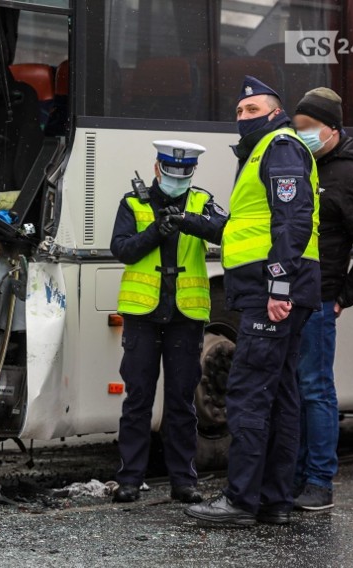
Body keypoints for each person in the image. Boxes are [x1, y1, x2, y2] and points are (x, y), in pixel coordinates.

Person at [185, 76, 320, 526]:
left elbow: (293, 219)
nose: (243, 118)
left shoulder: (279, 147)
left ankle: (241, 500)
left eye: (253, 110)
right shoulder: (266, 151)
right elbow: (252, 227)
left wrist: (279, 287)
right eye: (240, 112)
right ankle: (273, 501)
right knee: (280, 396)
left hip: (273, 291)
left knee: (247, 394)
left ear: (276, 111)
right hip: (272, 289)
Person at [110, 140, 226, 504]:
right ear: (158, 168)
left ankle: (183, 481)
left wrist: (190, 222)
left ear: (192, 172)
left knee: (181, 402)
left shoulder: (201, 201)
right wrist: (155, 232)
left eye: (185, 173)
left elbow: (224, 231)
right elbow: (121, 249)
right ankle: (129, 479)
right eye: (172, 172)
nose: (178, 179)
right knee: (138, 400)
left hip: (185, 316)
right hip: (143, 315)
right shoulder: (133, 203)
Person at [292, 88, 353, 511]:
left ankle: (319, 482)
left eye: (308, 129)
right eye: (297, 129)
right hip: (294, 298)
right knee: (294, 391)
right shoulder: (304, 167)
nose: (302, 136)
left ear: (330, 130)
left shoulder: (350, 177)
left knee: (315, 390)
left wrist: (342, 297)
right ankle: (293, 477)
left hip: (319, 301)